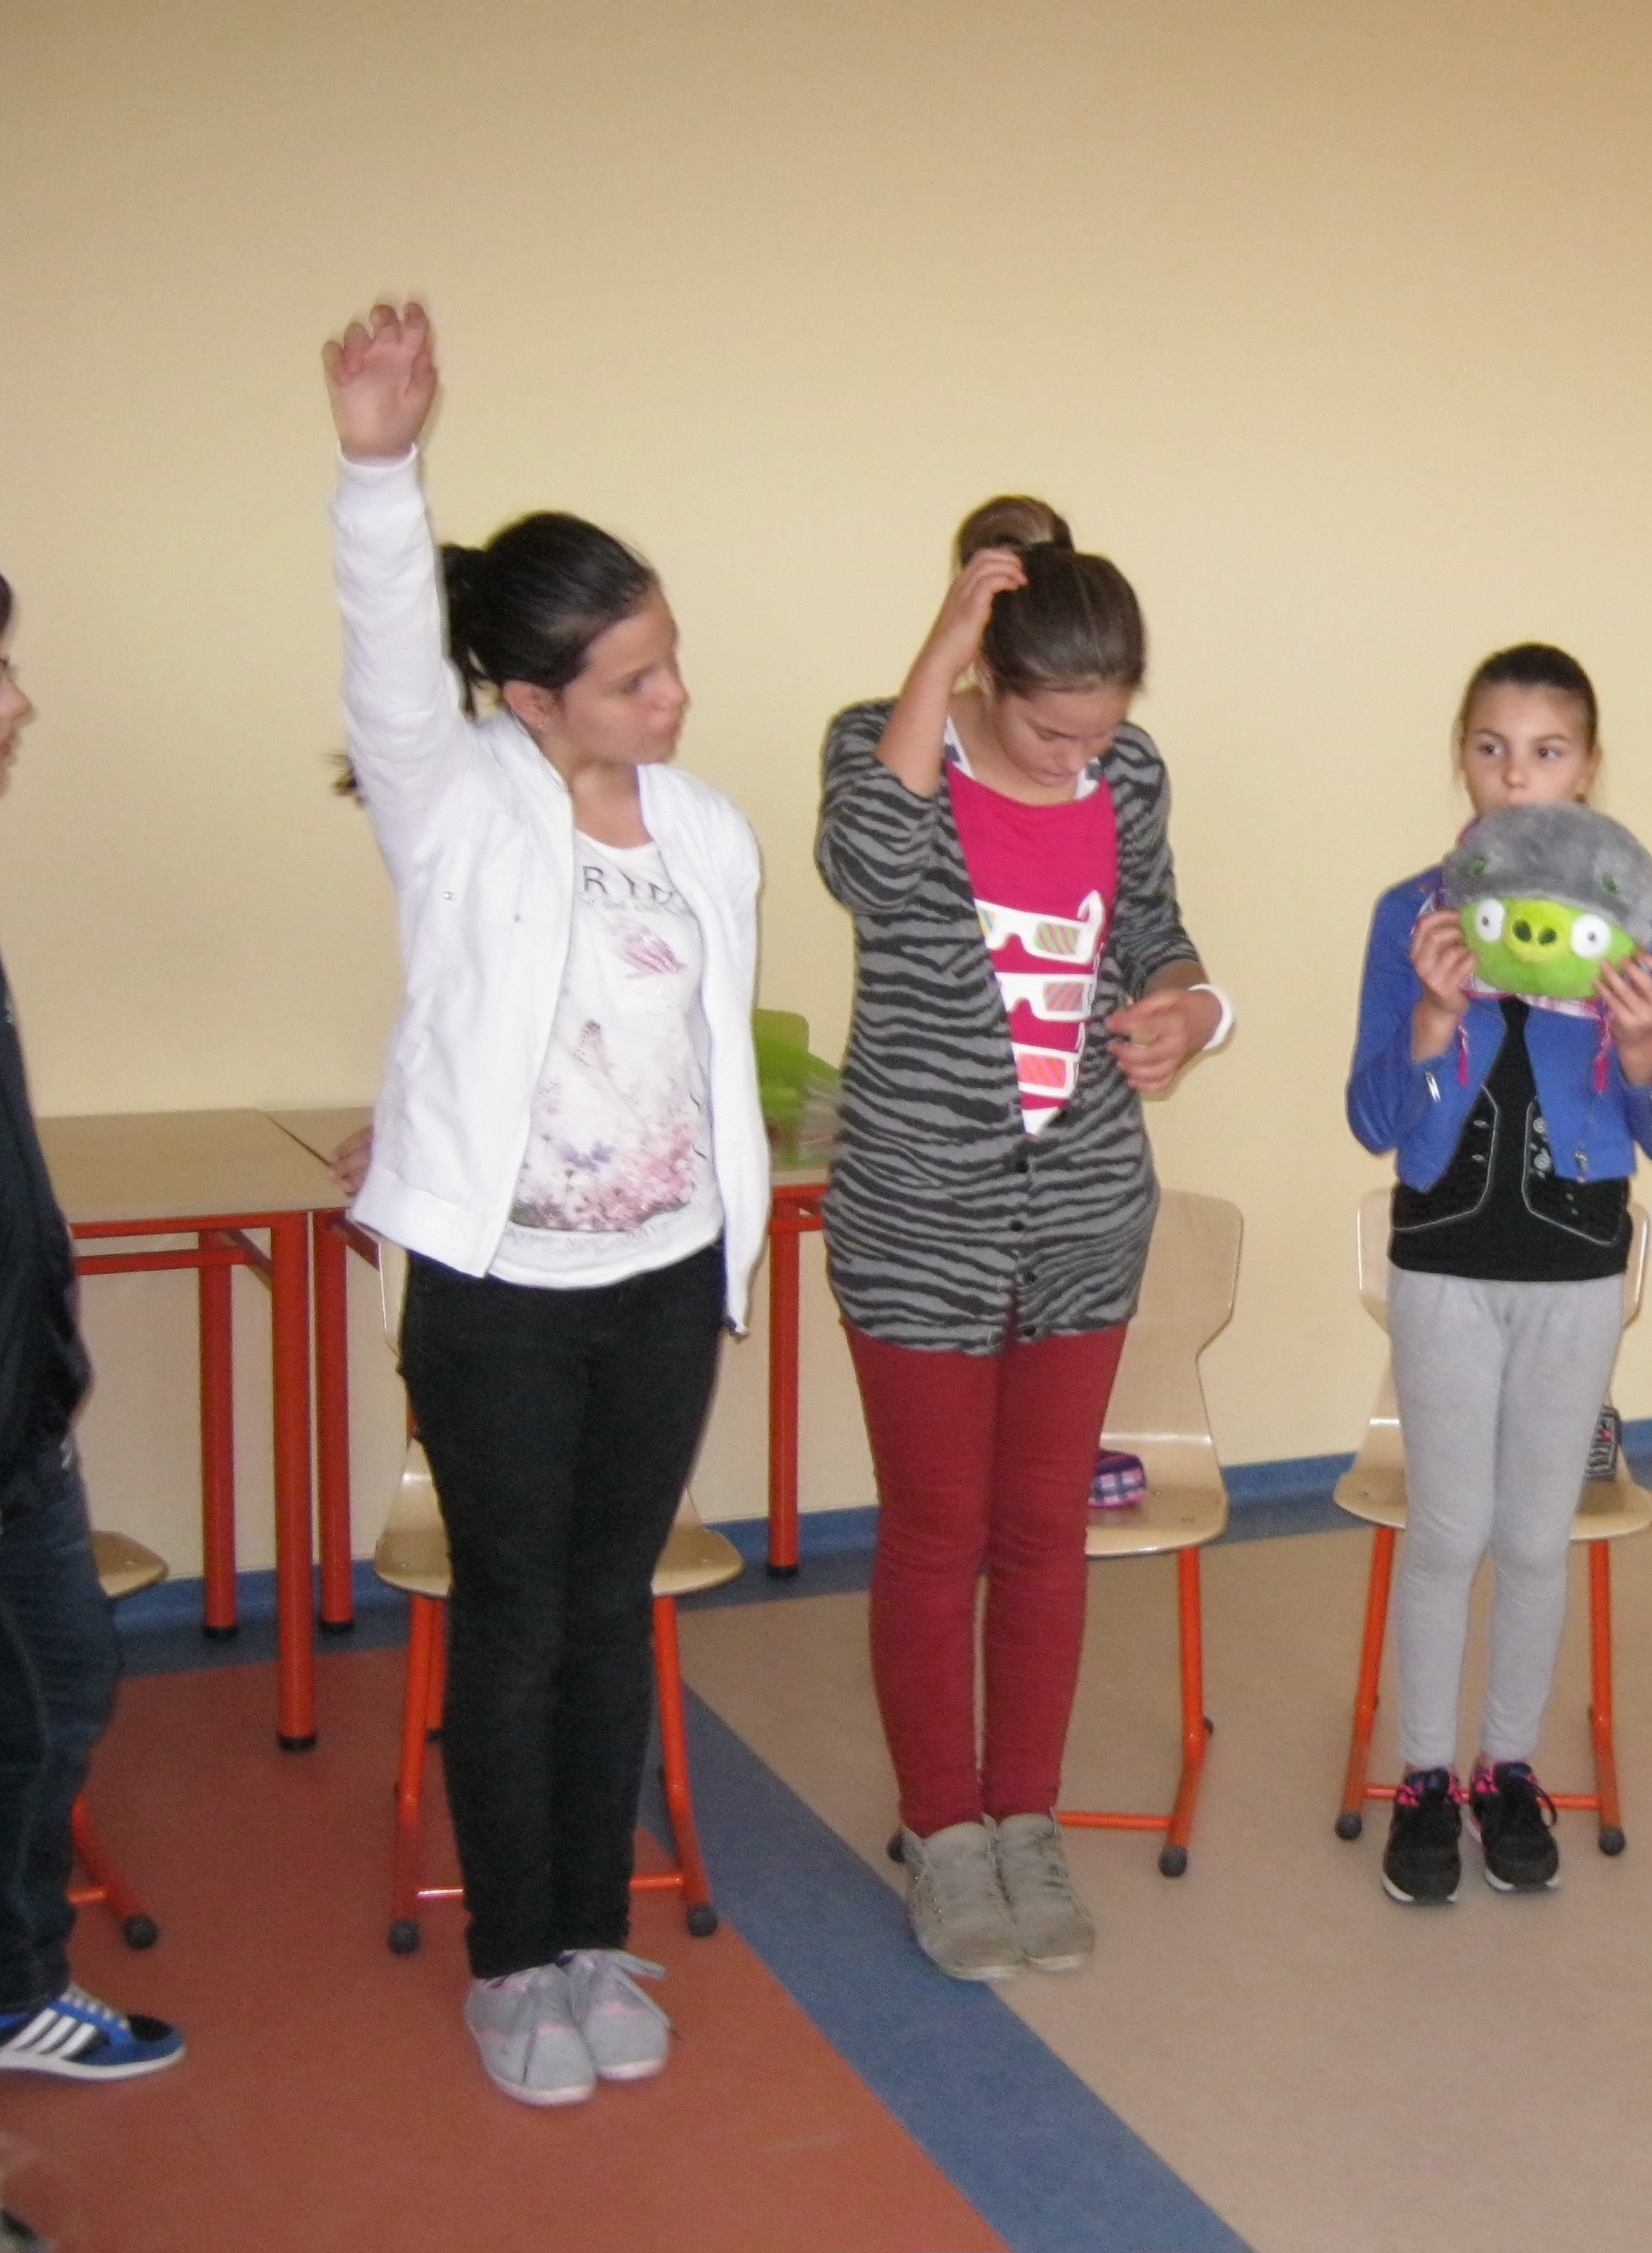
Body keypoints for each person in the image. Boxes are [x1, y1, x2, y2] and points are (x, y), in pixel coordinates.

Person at [324, 302, 768, 2106]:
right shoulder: (458, 808)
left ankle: (595, 1933)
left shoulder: (708, 832)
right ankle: (513, 1960)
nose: (671, 701)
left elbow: (703, 1060)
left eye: (671, 663)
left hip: (662, 1283)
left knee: (608, 1613)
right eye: (632, 681)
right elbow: (384, 658)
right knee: (511, 1625)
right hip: (500, 1293)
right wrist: (378, 470)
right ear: (529, 700)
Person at [816, 496, 1228, 1980]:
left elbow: (1157, 930)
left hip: (1085, 1215)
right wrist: (935, 657)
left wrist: (1196, 1009)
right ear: (984, 673)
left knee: (1046, 1532)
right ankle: (944, 1830)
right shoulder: (883, 745)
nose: (1078, 758)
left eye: (1101, 730)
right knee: (938, 1536)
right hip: (916, 1215)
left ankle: (1026, 1821)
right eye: (1053, 730)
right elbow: (866, 872)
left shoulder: (1130, 774)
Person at [1345, 643, 1652, 1904]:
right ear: (1462, 757)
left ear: (1587, 766)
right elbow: (1371, 1116)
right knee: (1447, 1530)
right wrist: (1432, 1020)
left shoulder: (1635, 914)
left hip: (1576, 1264)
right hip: (1444, 1260)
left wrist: (1642, 1045)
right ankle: (1424, 1779)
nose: (1516, 774)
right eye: (1492, 748)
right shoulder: (1412, 913)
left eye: (1546, 751)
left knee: (1537, 1538)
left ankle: (1506, 1768)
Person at [0, 548, 186, 2103]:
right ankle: (1, 1992)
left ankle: (2, 1982)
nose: (18, 704)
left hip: (12, 1405)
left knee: (55, 1692)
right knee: (32, 1709)